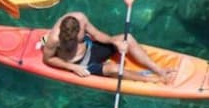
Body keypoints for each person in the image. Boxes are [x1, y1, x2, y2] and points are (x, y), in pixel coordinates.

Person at [42, 12, 175, 83]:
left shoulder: (81, 19)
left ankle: (159, 70)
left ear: (78, 30)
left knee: (127, 38)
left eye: (73, 38)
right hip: (81, 64)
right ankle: (151, 80)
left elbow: (97, 35)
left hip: (90, 48)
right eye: (67, 39)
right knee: (114, 69)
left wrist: (114, 42)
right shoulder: (54, 39)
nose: (70, 41)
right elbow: (48, 59)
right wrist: (72, 67)